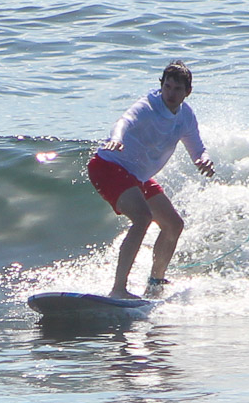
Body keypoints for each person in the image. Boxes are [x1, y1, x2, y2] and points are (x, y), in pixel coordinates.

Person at [88, 60, 215, 299]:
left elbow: (197, 147)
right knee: (143, 217)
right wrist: (116, 138)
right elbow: (124, 121)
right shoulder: (148, 105)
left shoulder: (185, 116)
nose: (171, 93)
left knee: (173, 224)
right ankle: (118, 290)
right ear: (161, 85)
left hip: (136, 176)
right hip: (108, 166)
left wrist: (203, 159)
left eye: (177, 89)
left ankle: (155, 284)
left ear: (187, 92)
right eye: (167, 87)